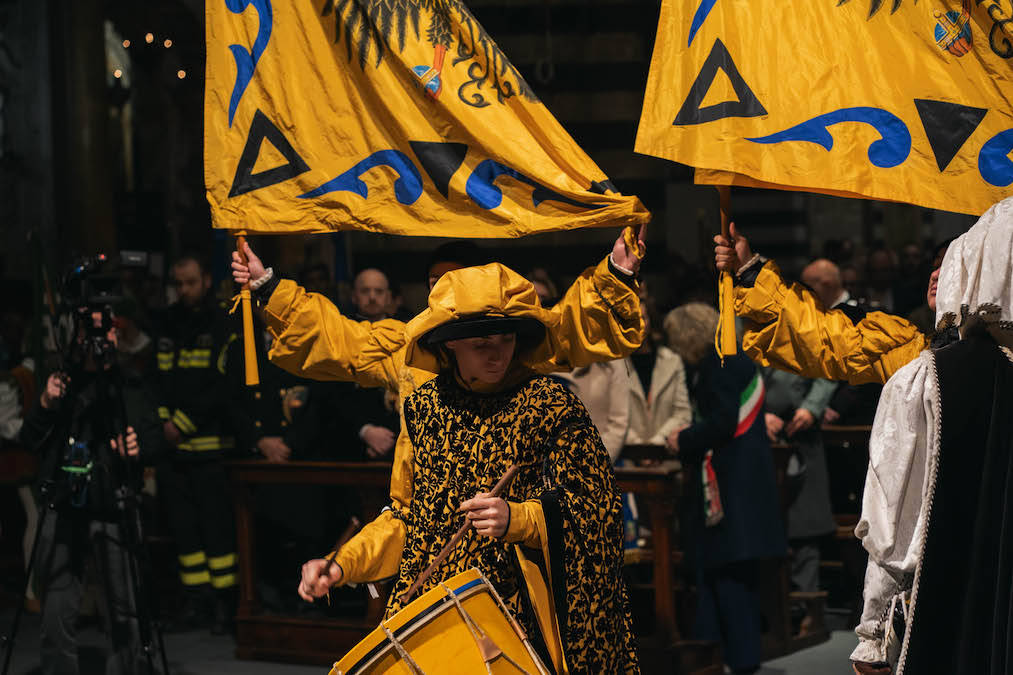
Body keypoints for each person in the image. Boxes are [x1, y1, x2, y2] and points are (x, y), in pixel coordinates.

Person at [296, 263, 639, 673]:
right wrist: (342, 564)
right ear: (450, 344)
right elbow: (409, 519)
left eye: (506, 339)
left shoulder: (550, 405)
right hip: (430, 610)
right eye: (481, 343)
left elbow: (595, 508)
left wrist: (518, 518)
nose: (497, 354)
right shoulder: (425, 408)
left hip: (515, 612)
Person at [230, 228, 647, 501]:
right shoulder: (408, 348)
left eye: (454, 281)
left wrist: (615, 275)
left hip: (506, 513)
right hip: (428, 515)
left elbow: (569, 329)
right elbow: (342, 343)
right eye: (435, 283)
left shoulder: (516, 344)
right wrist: (269, 287)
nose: (443, 292)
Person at [849, 198, 1013, 675]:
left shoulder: (927, 381)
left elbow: (894, 524)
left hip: (963, 598)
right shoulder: (924, 372)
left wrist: (873, 633)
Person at [20, 309, 162, 675]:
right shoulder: (62, 384)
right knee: (57, 607)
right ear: (76, 336)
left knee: (125, 608)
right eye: (92, 329)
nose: (102, 338)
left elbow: (156, 440)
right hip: (65, 505)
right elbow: (30, 441)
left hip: (115, 502)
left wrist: (138, 449)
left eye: (108, 329)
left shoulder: (131, 383)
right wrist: (46, 404)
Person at [664, 303, 786, 675]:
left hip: (732, 482)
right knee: (728, 571)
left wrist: (683, 439)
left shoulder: (718, 366)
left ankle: (732, 656)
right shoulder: (732, 359)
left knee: (728, 571)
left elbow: (721, 423)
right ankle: (722, 654)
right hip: (744, 479)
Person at [713, 224, 949, 385]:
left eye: (949, 265)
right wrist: (749, 271)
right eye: (935, 266)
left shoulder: (972, 350)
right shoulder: (906, 345)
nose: (935, 274)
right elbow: (821, 339)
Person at [154, 254, 238, 633]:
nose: (184, 290)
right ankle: (196, 602)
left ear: (206, 279)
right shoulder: (168, 321)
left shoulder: (222, 320)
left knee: (217, 532)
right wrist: (163, 422)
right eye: (179, 283)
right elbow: (158, 377)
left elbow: (222, 385)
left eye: (190, 282)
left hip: (210, 448)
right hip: (172, 450)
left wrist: (182, 423)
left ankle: (225, 605)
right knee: (185, 533)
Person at [623, 306, 692, 449]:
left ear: (650, 321)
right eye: (630, 320)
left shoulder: (672, 361)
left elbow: (682, 413)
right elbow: (611, 415)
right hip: (626, 454)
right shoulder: (613, 365)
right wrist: (638, 447)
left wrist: (657, 442)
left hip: (665, 452)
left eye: (642, 318)